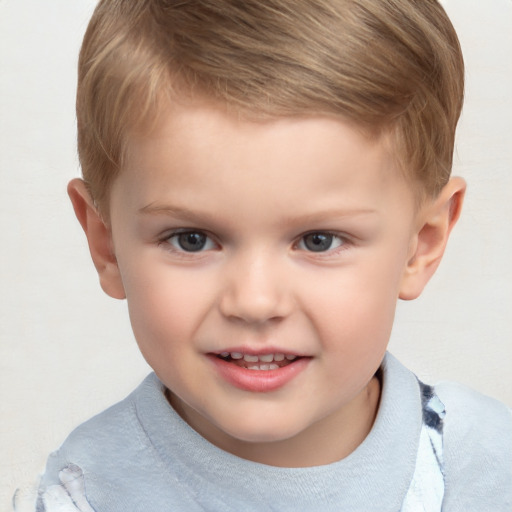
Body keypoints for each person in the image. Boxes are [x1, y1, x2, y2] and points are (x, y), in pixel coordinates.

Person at [34, 0, 512, 510]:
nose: (255, 301)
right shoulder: (83, 495)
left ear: (422, 242)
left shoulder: (485, 466)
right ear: (105, 242)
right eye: (191, 239)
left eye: (318, 240)